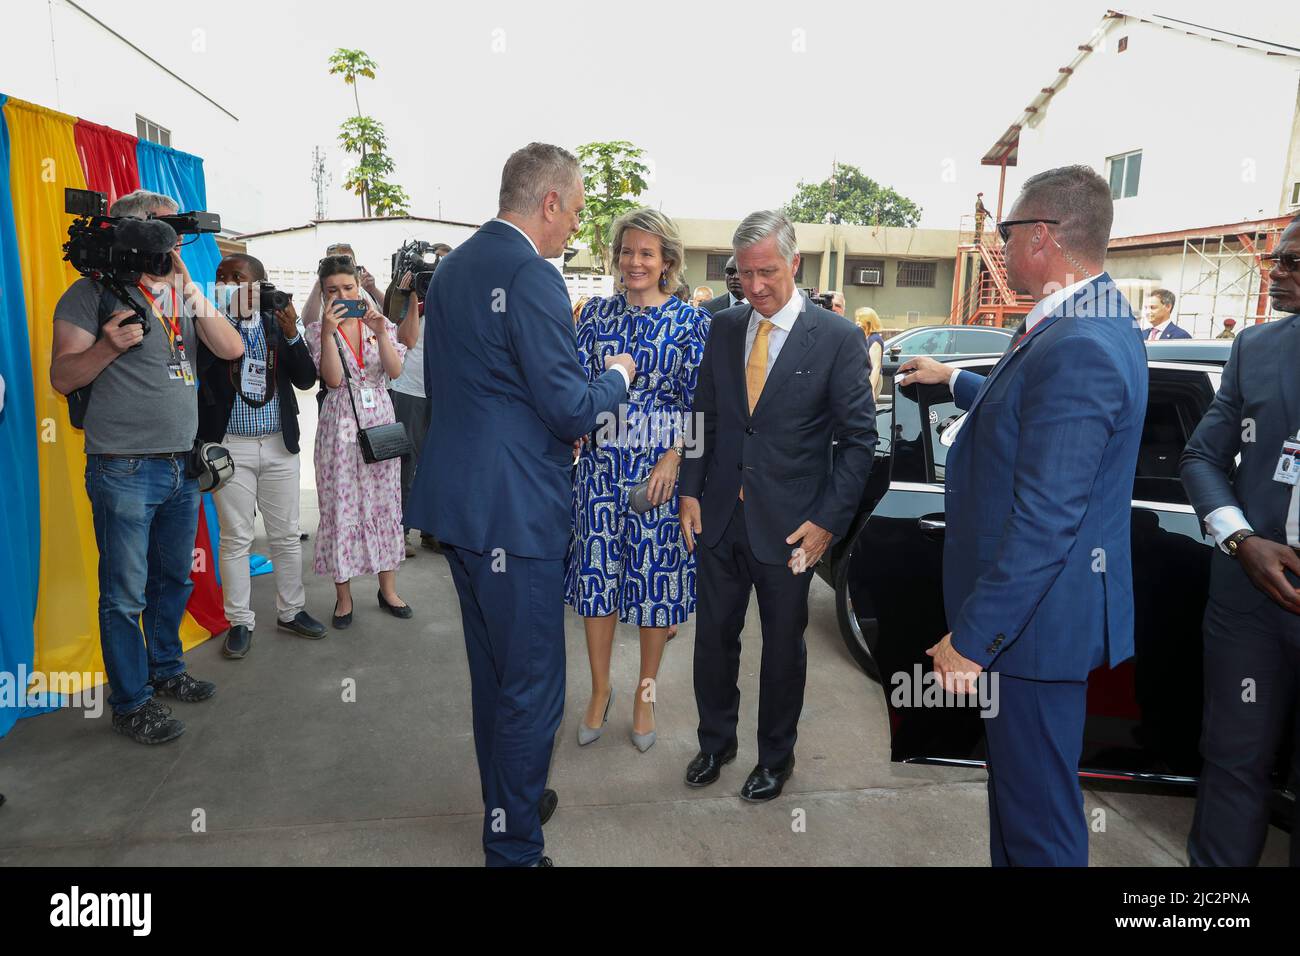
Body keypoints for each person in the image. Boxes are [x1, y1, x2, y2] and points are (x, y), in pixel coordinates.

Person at [898, 165, 1148, 866]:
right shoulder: (1090, 318)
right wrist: (957, 380)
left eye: (1007, 233)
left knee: (1038, 823)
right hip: (1041, 627)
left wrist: (974, 639)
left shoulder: (1080, 345)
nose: (1001, 249)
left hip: (1032, 634)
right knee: (1020, 800)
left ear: (1041, 236)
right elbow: (1034, 415)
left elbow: (1046, 519)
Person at [405, 143, 635, 867]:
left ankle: (511, 795)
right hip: (516, 513)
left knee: (495, 676)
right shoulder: (530, 275)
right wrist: (619, 377)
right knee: (533, 686)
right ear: (549, 203)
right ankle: (514, 849)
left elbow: (478, 387)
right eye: (574, 211)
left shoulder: (455, 268)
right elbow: (570, 407)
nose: (575, 228)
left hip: (462, 505)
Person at [678, 210, 876, 801]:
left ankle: (775, 757)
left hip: (792, 530)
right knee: (713, 639)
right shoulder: (721, 327)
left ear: (795, 264)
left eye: (768, 271)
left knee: (782, 649)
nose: (756, 286)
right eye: (744, 275)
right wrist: (690, 488)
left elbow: (859, 440)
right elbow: (701, 418)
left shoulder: (838, 339)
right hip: (718, 518)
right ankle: (715, 743)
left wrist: (826, 524)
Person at [49, 189, 244, 744]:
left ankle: (166, 670)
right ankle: (131, 702)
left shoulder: (177, 296)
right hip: (122, 468)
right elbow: (63, 378)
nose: (176, 239)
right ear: (132, 232)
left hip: (182, 466)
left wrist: (186, 286)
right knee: (124, 593)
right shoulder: (87, 295)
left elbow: (230, 349)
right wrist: (108, 347)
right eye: (165, 229)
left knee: (171, 580)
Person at [1179, 214, 1300, 866]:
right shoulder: (1255, 348)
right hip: (1250, 595)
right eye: (1278, 259)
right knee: (1231, 764)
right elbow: (1200, 458)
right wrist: (1241, 538)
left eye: (1293, 264)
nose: (1276, 272)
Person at [567, 208, 709, 754]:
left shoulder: (691, 321)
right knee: (597, 581)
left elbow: (703, 402)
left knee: (654, 585)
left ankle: (644, 694)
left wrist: (675, 456)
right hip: (601, 472)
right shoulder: (595, 316)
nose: (634, 262)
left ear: (667, 261)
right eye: (627, 251)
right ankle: (600, 690)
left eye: (646, 253)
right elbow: (577, 392)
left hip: (659, 476)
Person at [197, 254, 325, 658]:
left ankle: (292, 612)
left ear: (259, 284)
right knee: (235, 537)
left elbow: (306, 378)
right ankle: (239, 622)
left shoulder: (276, 322)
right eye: (221, 277)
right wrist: (225, 321)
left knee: (286, 535)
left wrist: (291, 335)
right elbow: (202, 369)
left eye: (237, 277)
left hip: (278, 446)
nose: (227, 283)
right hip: (229, 447)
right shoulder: (208, 323)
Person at [305, 255, 411, 628]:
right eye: (333, 289)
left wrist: (382, 332)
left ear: (360, 287)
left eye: (348, 288)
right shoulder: (319, 328)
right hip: (340, 427)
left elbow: (394, 372)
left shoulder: (377, 324)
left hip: (379, 420)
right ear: (323, 292)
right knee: (341, 507)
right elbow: (333, 380)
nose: (342, 295)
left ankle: (388, 589)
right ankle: (343, 598)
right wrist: (328, 333)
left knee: (383, 503)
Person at [384, 269, 435, 556]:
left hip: (439, 393)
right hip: (408, 390)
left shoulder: (452, 303)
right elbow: (407, 340)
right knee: (406, 464)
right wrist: (413, 294)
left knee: (435, 463)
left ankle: (431, 530)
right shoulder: (405, 298)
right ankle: (399, 531)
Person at [855, 306, 886, 401]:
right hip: (865, 379)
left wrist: (871, 388)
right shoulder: (866, 337)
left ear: (868, 322)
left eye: (859, 319)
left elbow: (876, 367)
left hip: (872, 380)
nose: (857, 322)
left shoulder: (874, 340)